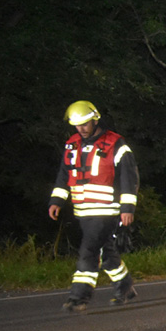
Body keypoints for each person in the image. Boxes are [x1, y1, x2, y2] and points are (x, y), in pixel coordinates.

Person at [48, 100, 139, 312]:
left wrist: (127, 209)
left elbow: (129, 178)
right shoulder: (72, 144)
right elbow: (64, 175)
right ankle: (125, 286)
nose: (81, 129)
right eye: (77, 125)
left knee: (88, 251)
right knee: (107, 254)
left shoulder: (116, 143)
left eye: (85, 124)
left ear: (95, 119)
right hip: (83, 210)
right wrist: (56, 200)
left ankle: (79, 297)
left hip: (106, 210)